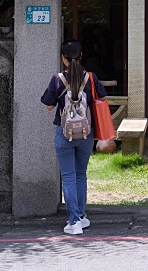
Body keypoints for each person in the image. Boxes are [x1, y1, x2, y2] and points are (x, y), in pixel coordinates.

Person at [41, 39, 107, 236]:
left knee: (68, 176)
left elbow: (48, 105)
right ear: (81, 56)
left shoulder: (58, 79)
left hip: (65, 133)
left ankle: (73, 222)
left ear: (63, 58)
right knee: (81, 175)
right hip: (86, 133)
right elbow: (101, 99)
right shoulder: (91, 78)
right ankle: (81, 216)